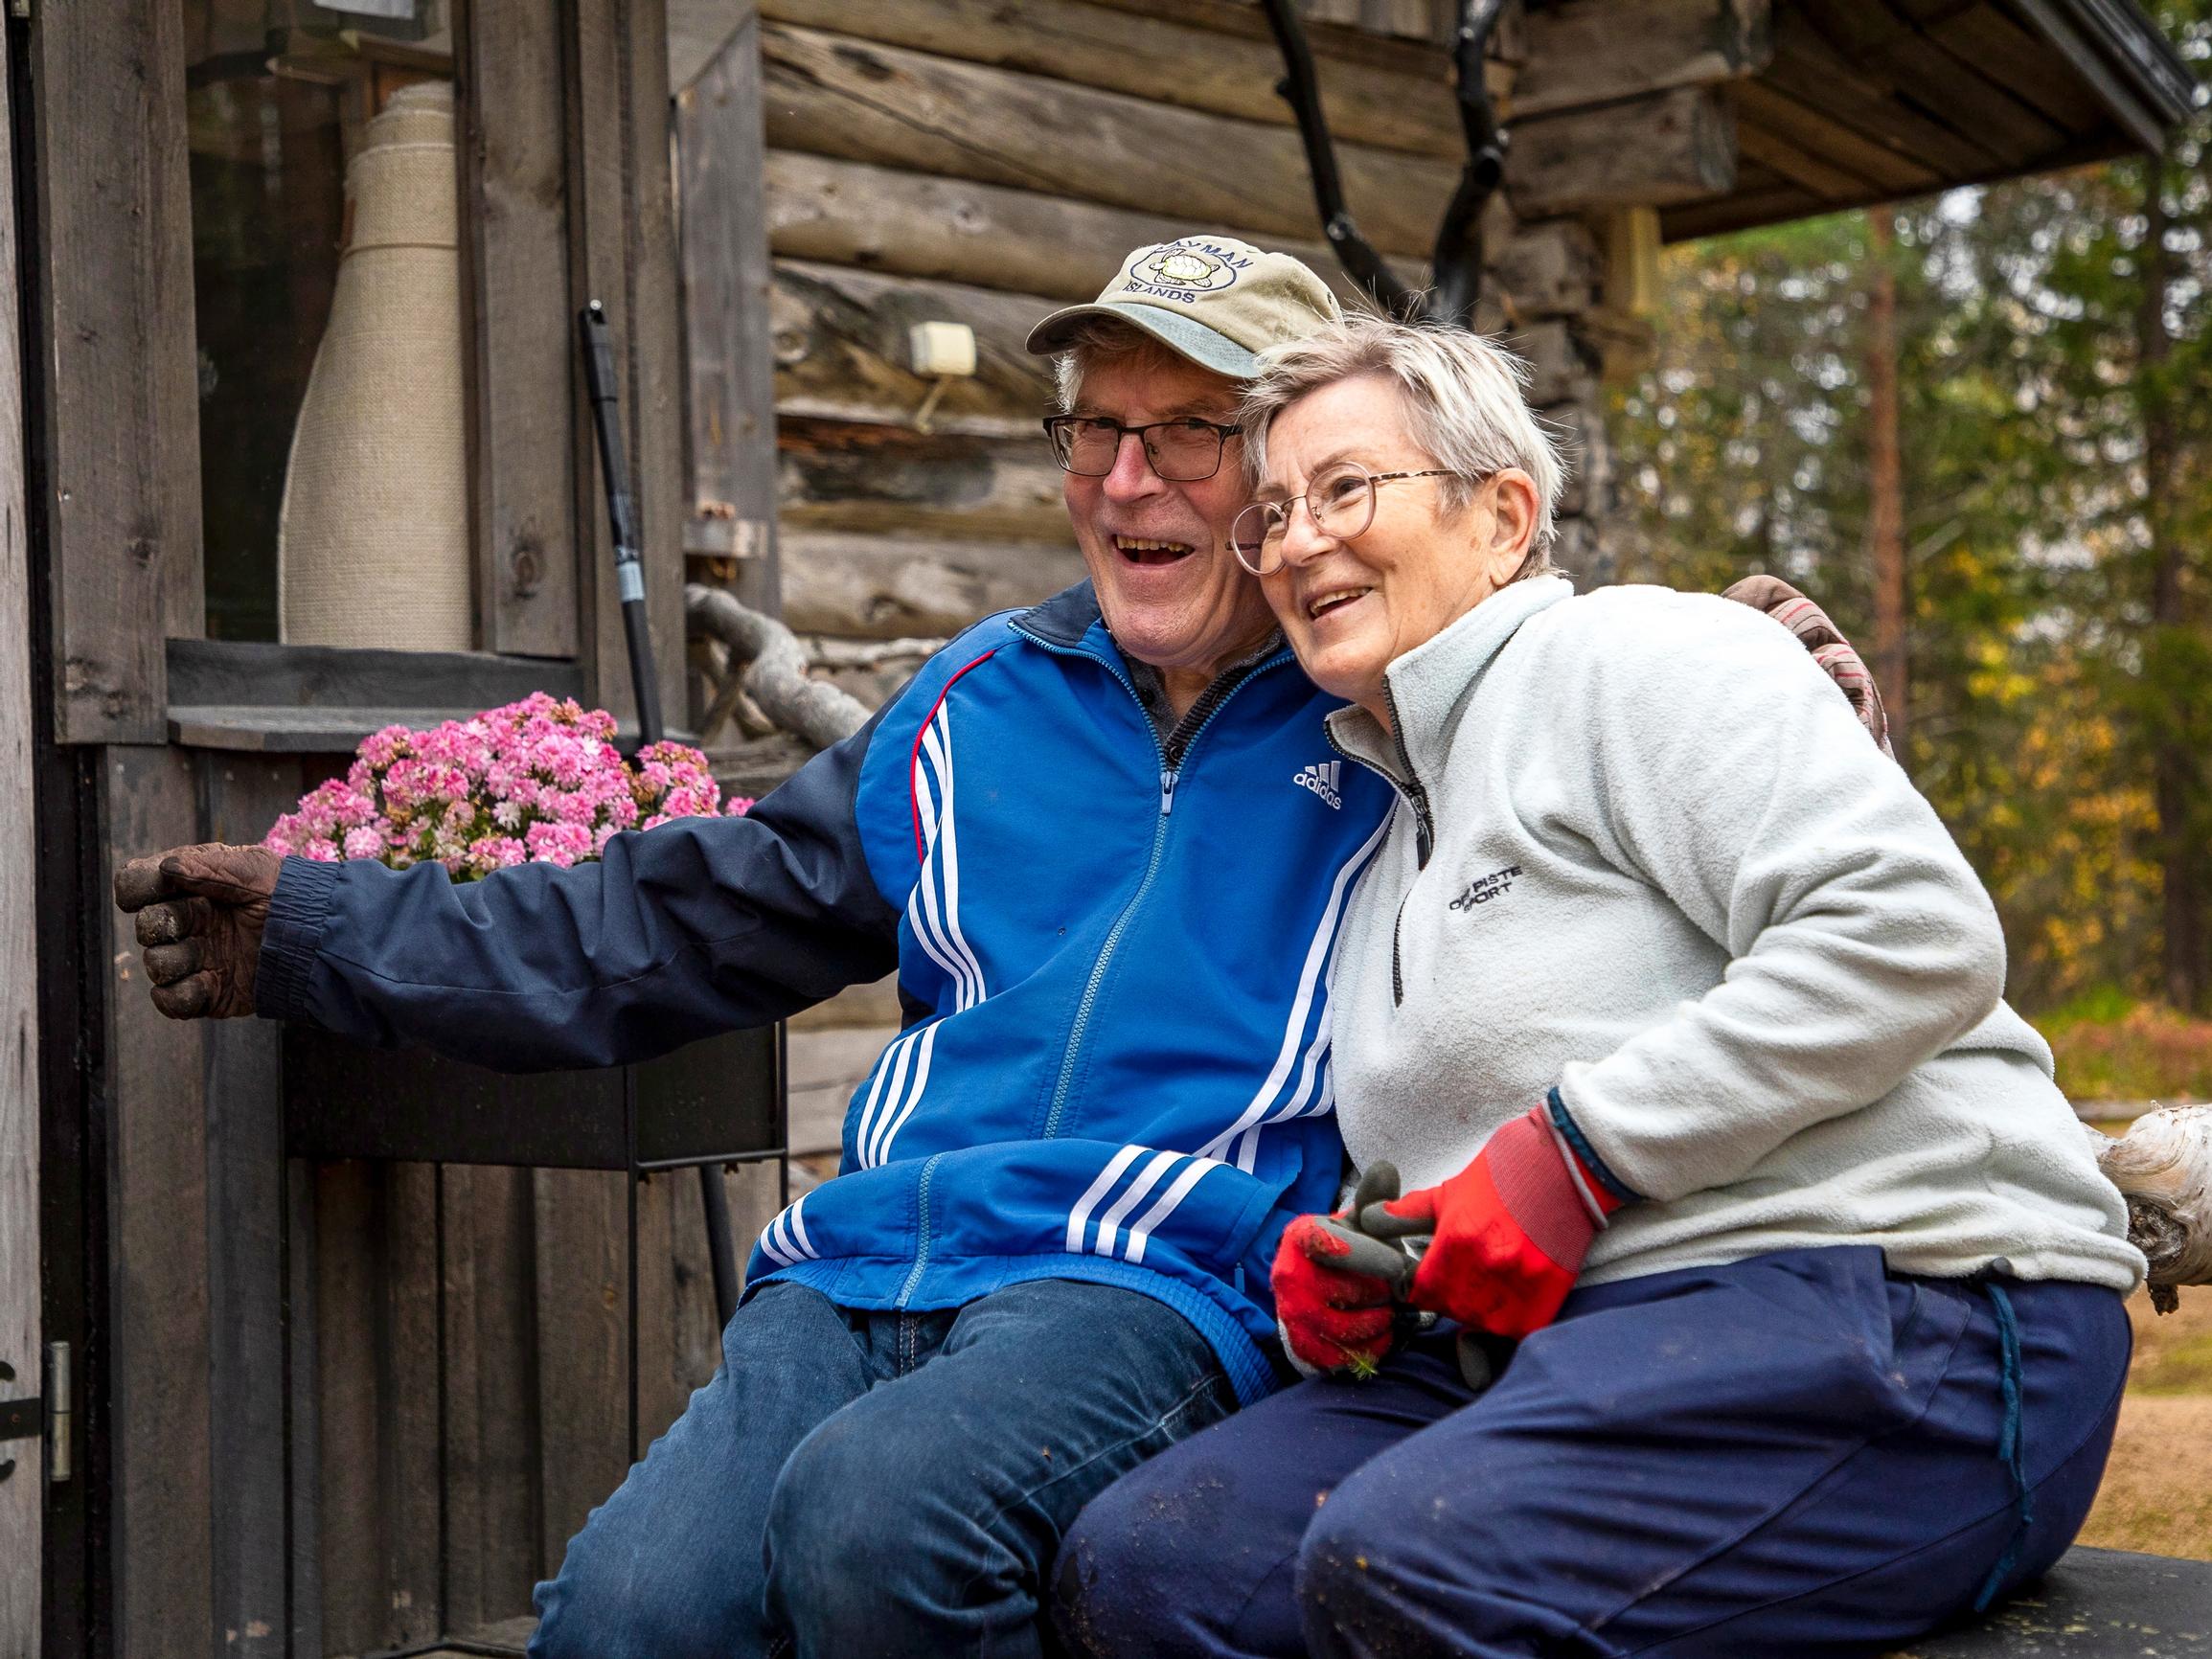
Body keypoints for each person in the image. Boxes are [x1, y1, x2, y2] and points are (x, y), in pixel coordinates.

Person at [114, 241, 1859, 1659]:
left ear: (1284, 482)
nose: (1125, 479)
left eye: (1189, 433)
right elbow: (670, 920)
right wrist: (323, 930)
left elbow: (1593, 725)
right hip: (863, 1263)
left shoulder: (1390, 706)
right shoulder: (971, 703)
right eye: (1094, 432)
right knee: (631, 1620)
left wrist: (1764, 661)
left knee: (885, 1527)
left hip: (1161, 1274)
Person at [1053, 314, 2144, 1659]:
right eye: (1271, 513)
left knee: (1406, 1563)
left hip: (1914, 1308)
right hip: (1565, 1348)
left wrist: (1575, 1156)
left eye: (1346, 489)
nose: (1295, 544)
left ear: (1502, 517)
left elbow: (1912, 932)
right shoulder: (1382, 836)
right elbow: (1488, 1150)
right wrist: (1372, 1256)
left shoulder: (1642, 655)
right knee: (1152, 1568)